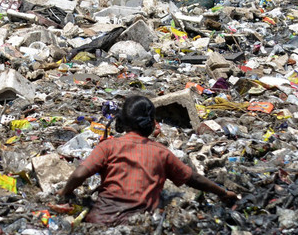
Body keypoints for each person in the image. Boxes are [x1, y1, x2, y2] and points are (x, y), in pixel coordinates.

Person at [58, 95, 238, 225]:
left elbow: (80, 173)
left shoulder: (108, 146)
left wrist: (64, 193)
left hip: (100, 221)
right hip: (139, 224)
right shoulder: (161, 153)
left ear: (122, 122)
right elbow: (194, 179)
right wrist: (222, 193)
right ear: (151, 124)